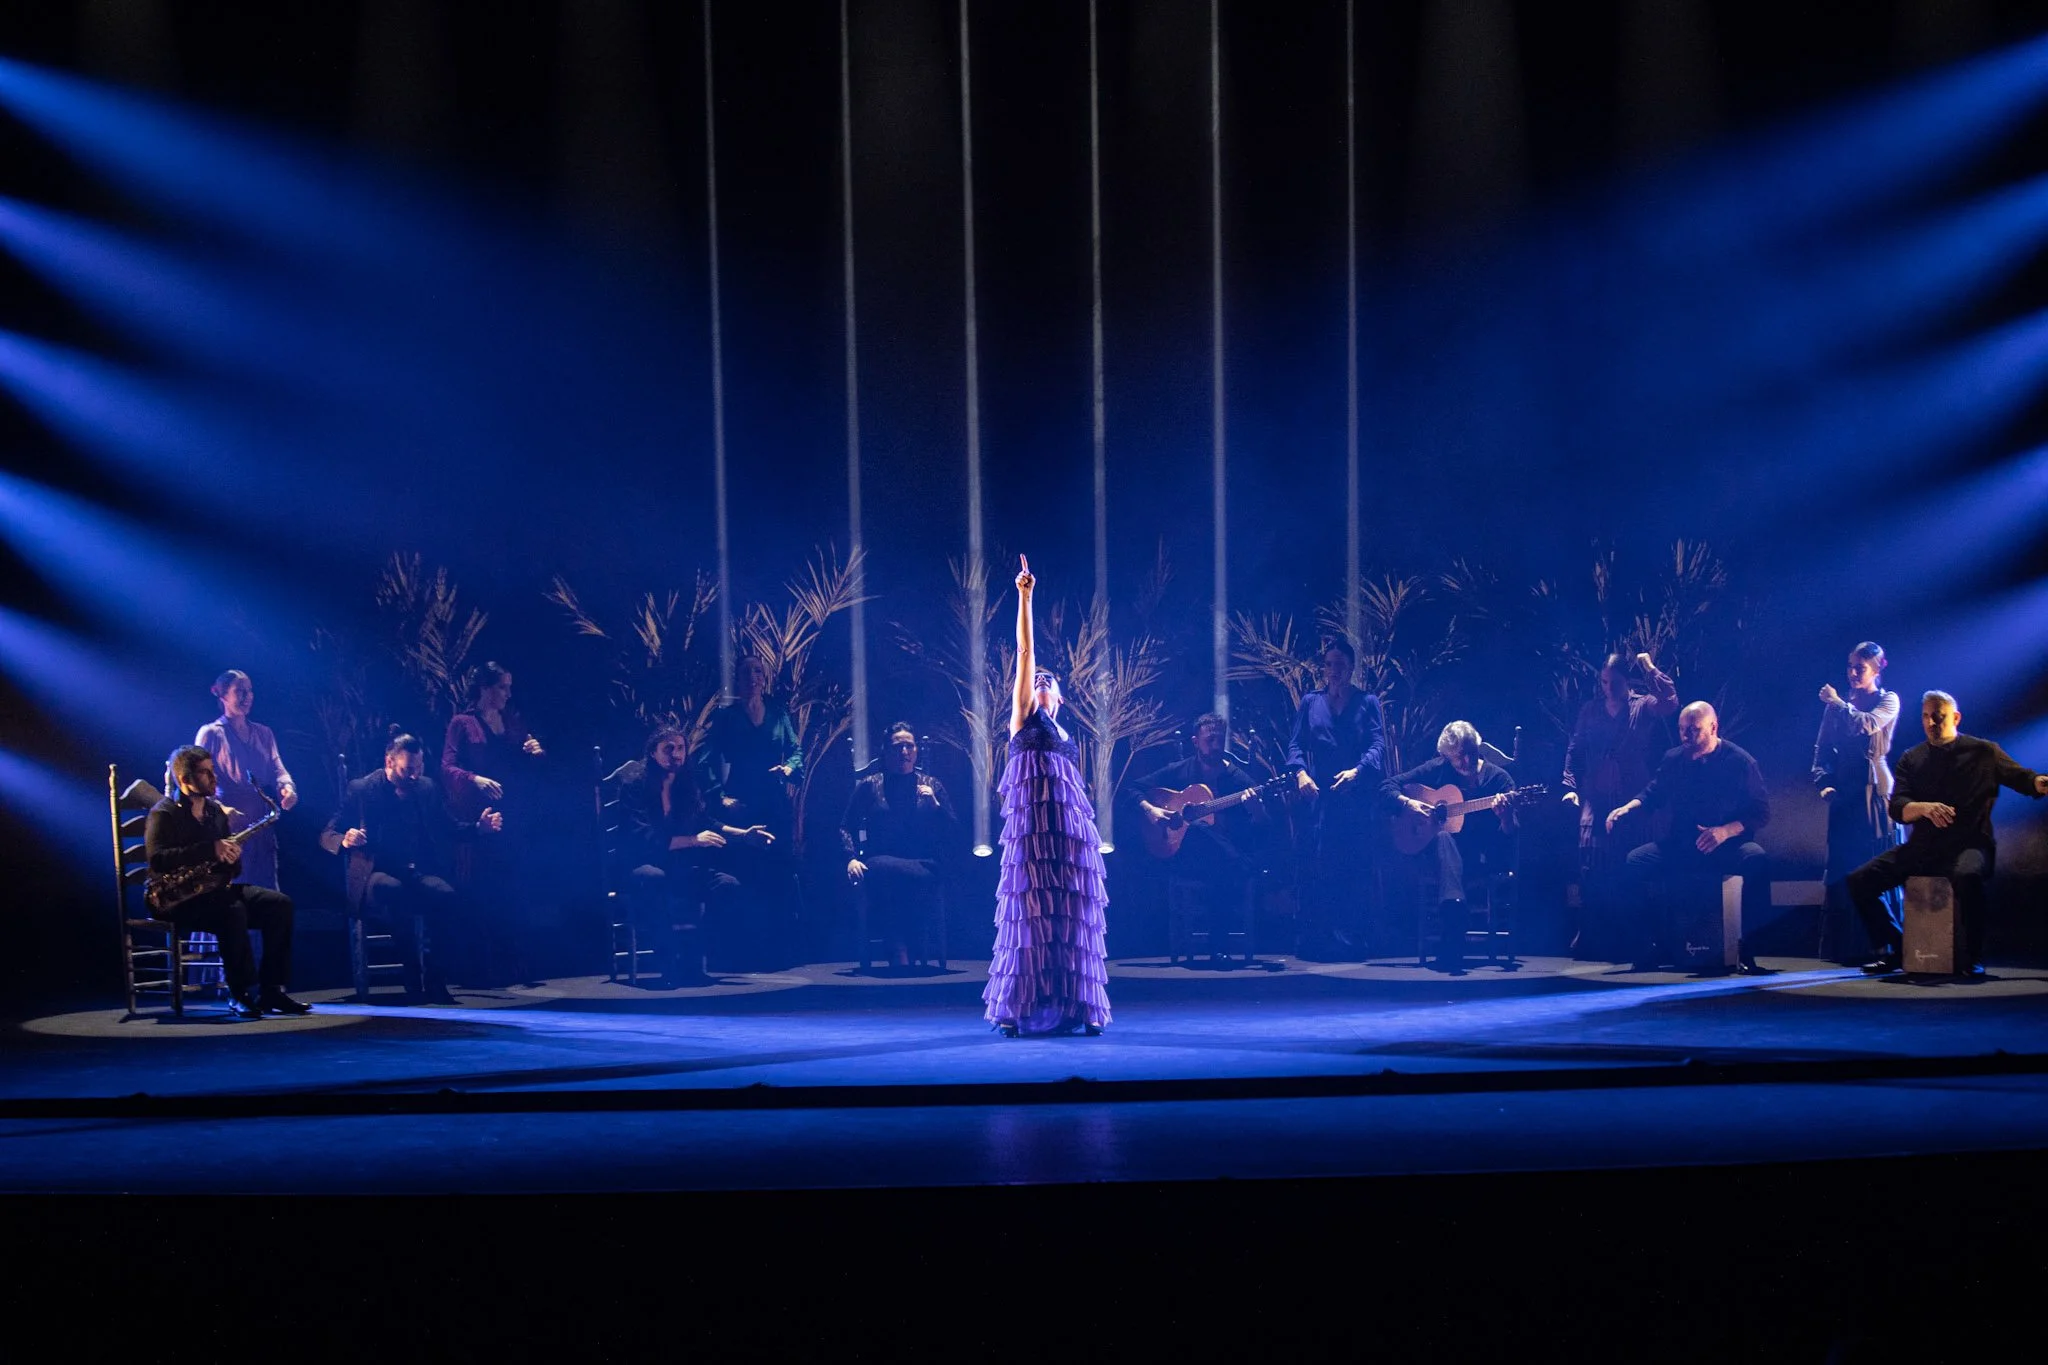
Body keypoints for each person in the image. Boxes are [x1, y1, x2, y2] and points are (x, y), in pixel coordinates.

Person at [983, 555, 1111, 1036]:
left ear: (1060, 697)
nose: (1040, 681)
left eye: (1048, 681)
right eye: (1036, 680)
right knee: (1034, 919)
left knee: (1070, 917)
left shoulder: (1064, 734)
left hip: (1069, 837)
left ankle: (1077, 1006)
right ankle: (1025, 1007)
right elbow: (1024, 652)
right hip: (1035, 837)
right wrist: (1025, 596)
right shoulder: (1023, 720)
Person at [1844, 690, 2047, 976]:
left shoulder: (1983, 752)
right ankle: (1899, 948)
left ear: (1955, 717)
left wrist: (2039, 782)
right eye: (1926, 716)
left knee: (1967, 875)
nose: (1931, 722)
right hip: (1924, 848)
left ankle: (1971, 957)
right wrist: (1924, 808)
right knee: (1859, 881)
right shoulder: (1912, 759)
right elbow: (1898, 807)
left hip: (1970, 844)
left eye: (1938, 716)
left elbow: (2022, 778)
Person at [320, 729, 503, 1002]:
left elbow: (448, 827)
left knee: (448, 897)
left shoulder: (426, 788)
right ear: (390, 762)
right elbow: (326, 834)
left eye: (419, 768)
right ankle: (412, 973)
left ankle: (435, 978)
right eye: (408, 769)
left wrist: (479, 828)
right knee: (394, 891)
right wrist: (345, 840)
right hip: (374, 872)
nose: (414, 775)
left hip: (415, 870)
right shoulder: (362, 789)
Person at [144, 746, 307, 1019]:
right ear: (185, 780)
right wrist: (210, 848)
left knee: (279, 904)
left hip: (212, 891)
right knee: (232, 911)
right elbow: (158, 860)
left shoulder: (215, 813)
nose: (213, 777)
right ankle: (239, 992)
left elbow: (227, 869)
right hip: (174, 899)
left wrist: (231, 857)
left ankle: (271, 990)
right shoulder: (165, 813)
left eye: (212, 771)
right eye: (205, 773)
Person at [1607, 702, 1771, 972]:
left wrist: (1724, 831)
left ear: (1713, 728)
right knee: (1634, 864)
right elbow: (1653, 793)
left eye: (1694, 730)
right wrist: (1628, 807)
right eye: (1682, 730)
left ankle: (1747, 950)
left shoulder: (1740, 762)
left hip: (1727, 845)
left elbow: (1761, 812)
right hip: (1681, 845)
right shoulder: (1673, 759)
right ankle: (1652, 945)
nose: (1686, 737)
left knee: (1757, 860)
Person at [619, 725, 766, 980]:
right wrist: (692, 840)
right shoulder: (636, 785)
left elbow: (706, 823)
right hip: (642, 864)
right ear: (653, 753)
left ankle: (693, 956)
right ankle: (668, 963)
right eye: (668, 749)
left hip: (679, 867)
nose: (676, 754)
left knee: (726, 885)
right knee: (654, 878)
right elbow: (642, 838)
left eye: (680, 748)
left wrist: (744, 834)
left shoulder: (686, 785)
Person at [1560, 652, 1678, 959]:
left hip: (1631, 794)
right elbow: (1575, 750)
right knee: (1592, 866)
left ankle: (1637, 939)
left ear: (1628, 682)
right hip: (1596, 794)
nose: (1608, 688)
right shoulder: (1591, 710)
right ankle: (1592, 935)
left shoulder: (1643, 705)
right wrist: (1570, 788)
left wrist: (1649, 667)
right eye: (1604, 682)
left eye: (1615, 682)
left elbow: (1669, 701)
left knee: (1631, 866)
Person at [1385, 721, 1518, 973]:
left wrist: (1506, 817)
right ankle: (1455, 911)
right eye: (1458, 758)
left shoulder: (1499, 780)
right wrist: (1408, 804)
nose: (1466, 762)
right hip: (1438, 860)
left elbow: (1510, 836)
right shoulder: (1438, 770)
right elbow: (1386, 787)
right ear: (1446, 757)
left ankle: (1452, 925)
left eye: (1471, 753)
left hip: (1481, 859)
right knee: (1445, 839)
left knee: (1448, 842)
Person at [1134, 712, 1269, 961]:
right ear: (1195, 741)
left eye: (1220, 739)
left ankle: (1218, 950)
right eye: (1210, 740)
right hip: (1186, 857)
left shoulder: (1238, 780)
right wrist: (1151, 810)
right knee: (1198, 830)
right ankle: (1219, 948)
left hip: (1223, 861)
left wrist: (1258, 811)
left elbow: (1262, 830)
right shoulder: (1179, 771)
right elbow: (1131, 789)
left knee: (1218, 865)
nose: (1216, 746)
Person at [696, 654, 803, 964]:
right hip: (743, 802)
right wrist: (720, 797)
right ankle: (745, 953)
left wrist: (787, 769)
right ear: (738, 680)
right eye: (747, 672)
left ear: (764, 677)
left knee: (779, 874)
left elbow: (796, 750)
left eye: (759, 671)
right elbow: (704, 760)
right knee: (747, 876)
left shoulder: (779, 712)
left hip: (775, 801)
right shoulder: (726, 716)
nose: (754, 677)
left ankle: (780, 954)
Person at [441, 661, 544, 980]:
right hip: (480, 814)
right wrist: (474, 779)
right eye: (502, 687)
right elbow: (446, 766)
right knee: (484, 887)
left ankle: (517, 963)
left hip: (515, 810)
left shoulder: (512, 720)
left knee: (516, 886)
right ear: (485, 688)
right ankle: (483, 967)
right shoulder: (463, 722)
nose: (507, 693)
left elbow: (529, 765)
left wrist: (537, 751)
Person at [1284, 638, 1386, 957]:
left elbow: (1378, 744)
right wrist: (1301, 773)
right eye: (1328, 664)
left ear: (1351, 667)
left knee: (1353, 865)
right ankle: (1319, 938)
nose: (1333, 670)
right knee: (1318, 863)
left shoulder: (1367, 702)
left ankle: (1353, 939)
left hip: (1354, 798)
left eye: (1340, 664)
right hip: (1320, 798)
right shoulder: (1310, 702)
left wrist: (1357, 772)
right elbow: (1296, 745)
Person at [1811, 642, 1902, 963]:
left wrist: (1836, 703)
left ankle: (1887, 946)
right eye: (1849, 666)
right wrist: (1823, 782)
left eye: (1859, 668)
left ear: (1878, 669)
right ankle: (1843, 948)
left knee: (1874, 868)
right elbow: (1821, 749)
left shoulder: (1888, 700)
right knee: (1841, 869)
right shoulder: (1837, 706)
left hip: (1874, 792)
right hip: (1845, 794)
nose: (1851, 673)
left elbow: (1865, 724)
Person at [841, 721, 958, 968]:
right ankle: (903, 947)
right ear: (885, 751)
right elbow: (845, 825)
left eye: (909, 746)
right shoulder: (871, 784)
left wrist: (935, 806)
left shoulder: (931, 784)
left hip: (923, 861)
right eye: (897, 747)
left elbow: (953, 832)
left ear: (916, 751)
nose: (904, 752)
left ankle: (906, 947)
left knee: (913, 877)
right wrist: (851, 857)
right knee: (887, 872)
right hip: (881, 859)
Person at [194, 670, 299, 892]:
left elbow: (277, 768)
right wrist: (220, 810)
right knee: (233, 891)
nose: (247, 697)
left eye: (249, 691)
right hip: (229, 826)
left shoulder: (264, 733)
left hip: (261, 821)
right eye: (239, 692)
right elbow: (198, 784)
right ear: (223, 696)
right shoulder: (210, 734)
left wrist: (287, 787)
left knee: (265, 891)